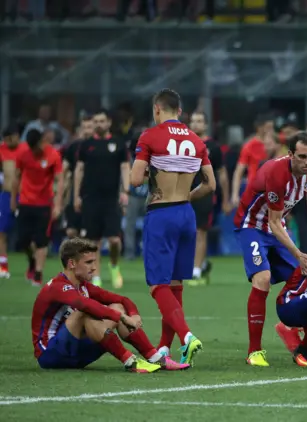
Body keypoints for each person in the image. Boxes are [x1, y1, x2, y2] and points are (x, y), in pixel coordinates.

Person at [233, 131, 307, 367]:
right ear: (290, 155)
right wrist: (298, 254)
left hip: (274, 227)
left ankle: (291, 330)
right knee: (263, 278)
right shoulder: (277, 174)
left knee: (303, 279)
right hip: (251, 226)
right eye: (302, 156)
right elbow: (272, 221)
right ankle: (254, 351)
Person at [131, 88, 216, 365]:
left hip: (161, 213)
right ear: (180, 111)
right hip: (186, 214)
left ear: (157, 109)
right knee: (175, 283)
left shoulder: (150, 137)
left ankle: (187, 335)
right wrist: (187, 196)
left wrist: (147, 172)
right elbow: (211, 185)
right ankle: (165, 349)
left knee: (157, 285)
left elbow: (134, 181)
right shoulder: (197, 141)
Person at [31, 237, 189, 372]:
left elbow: (123, 300)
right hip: (50, 354)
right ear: (72, 264)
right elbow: (84, 305)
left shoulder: (83, 286)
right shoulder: (57, 286)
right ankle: (131, 362)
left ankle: (156, 359)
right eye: (89, 262)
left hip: (75, 353)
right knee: (84, 313)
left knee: (117, 307)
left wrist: (133, 314)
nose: (94, 267)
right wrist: (122, 317)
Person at [74, 109, 129, 288]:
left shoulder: (118, 144)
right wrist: (76, 195)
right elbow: (79, 170)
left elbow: (125, 167)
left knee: (114, 240)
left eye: (102, 121)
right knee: (92, 241)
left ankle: (114, 266)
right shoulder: (86, 145)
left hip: (111, 199)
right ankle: (95, 276)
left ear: (109, 123)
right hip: (91, 198)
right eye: (96, 121)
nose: (98, 124)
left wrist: (125, 191)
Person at [11, 129, 64, 286]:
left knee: (41, 241)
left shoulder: (53, 155)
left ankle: (38, 274)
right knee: (23, 240)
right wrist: (13, 200)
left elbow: (59, 180)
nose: (36, 150)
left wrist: (58, 204)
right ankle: (32, 262)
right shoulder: (23, 154)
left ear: (42, 141)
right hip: (26, 202)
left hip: (44, 204)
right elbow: (16, 176)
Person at [187, 111, 230, 285]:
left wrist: (226, 199)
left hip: (204, 195)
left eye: (199, 121)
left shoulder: (213, 147)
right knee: (184, 233)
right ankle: (201, 265)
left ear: (205, 125)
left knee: (200, 232)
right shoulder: (184, 145)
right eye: (193, 121)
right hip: (183, 193)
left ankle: (196, 271)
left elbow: (222, 174)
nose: (196, 124)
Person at [230, 114, 274, 208]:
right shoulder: (249, 146)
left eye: (272, 128)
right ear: (260, 127)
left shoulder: (276, 145)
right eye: (268, 127)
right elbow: (239, 172)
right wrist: (235, 194)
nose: (271, 131)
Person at [0, 125, 27, 278]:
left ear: (18, 136)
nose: (9, 141)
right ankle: (3, 267)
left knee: (27, 234)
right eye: (6, 139)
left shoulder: (26, 150)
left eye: (12, 137)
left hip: (24, 195)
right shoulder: (1, 150)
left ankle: (33, 266)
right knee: (1, 232)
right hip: (6, 194)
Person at [62, 116, 94, 239]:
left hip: (92, 193)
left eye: (89, 127)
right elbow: (64, 168)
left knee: (88, 232)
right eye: (84, 127)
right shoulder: (73, 147)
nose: (86, 131)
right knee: (71, 231)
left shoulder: (99, 147)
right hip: (74, 191)